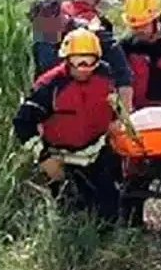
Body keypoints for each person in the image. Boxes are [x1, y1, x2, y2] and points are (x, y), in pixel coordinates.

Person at [12, 28, 121, 223]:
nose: (84, 68)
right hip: (62, 161)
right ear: (67, 59)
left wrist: (116, 119)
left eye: (90, 62)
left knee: (110, 214)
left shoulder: (104, 74)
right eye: (78, 62)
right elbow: (22, 123)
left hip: (96, 155)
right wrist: (45, 159)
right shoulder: (50, 86)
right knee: (70, 218)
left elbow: (111, 101)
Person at [117, 0, 161, 227]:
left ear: (156, 19)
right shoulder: (126, 46)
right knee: (132, 182)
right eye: (134, 26)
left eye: (143, 25)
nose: (138, 31)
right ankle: (130, 230)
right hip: (139, 124)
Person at [29, 0, 133, 104]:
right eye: (40, 27)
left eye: (47, 26)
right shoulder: (42, 36)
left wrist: (124, 113)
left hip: (92, 99)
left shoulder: (93, 33)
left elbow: (123, 75)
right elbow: (41, 73)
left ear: (60, 16)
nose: (45, 32)